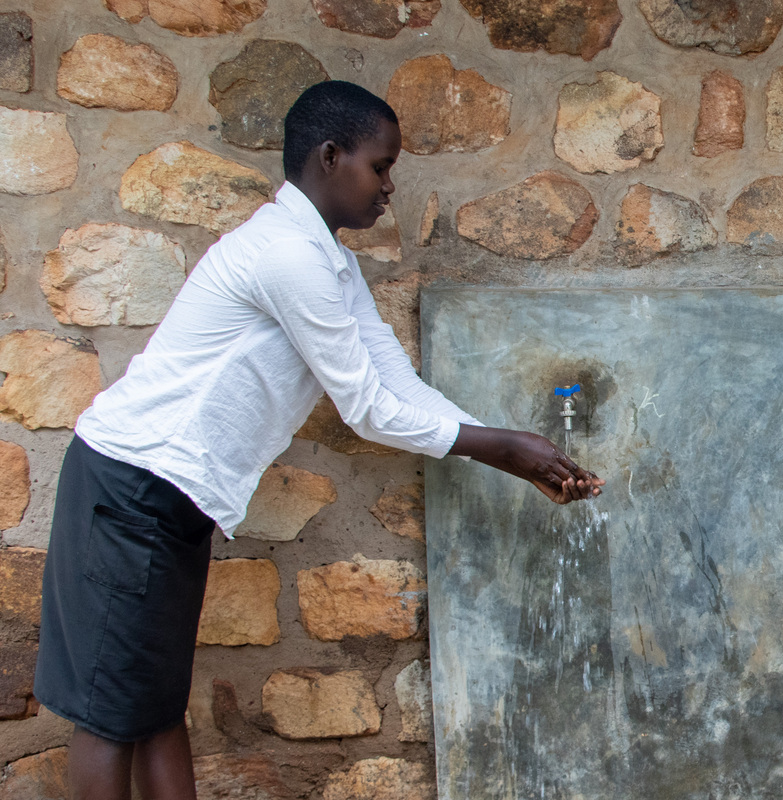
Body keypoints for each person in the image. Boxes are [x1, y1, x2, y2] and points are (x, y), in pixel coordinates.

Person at [35, 80, 604, 800]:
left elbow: (394, 381)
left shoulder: (330, 262)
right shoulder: (285, 255)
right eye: (380, 165)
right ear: (330, 157)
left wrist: (512, 451)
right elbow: (366, 408)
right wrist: (497, 447)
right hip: (128, 488)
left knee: (153, 707)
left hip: (170, 499)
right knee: (111, 715)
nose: (389, 186)